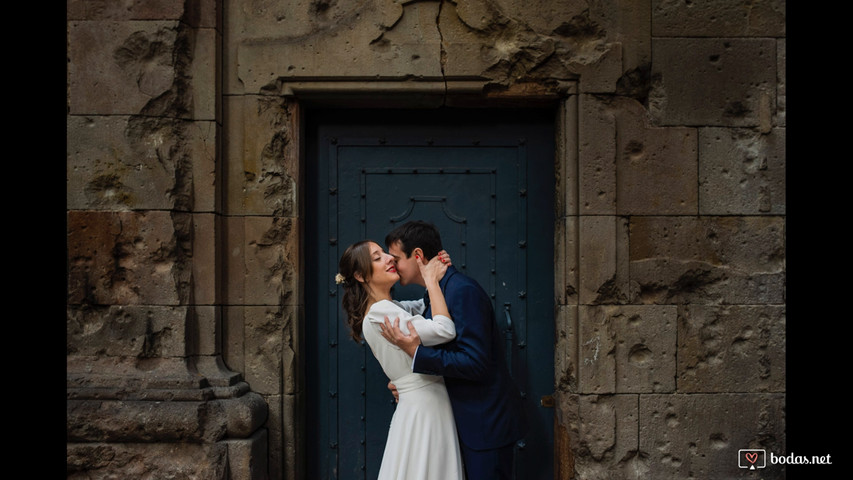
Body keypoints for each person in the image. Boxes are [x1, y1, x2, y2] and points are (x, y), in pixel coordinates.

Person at [380, 221, 527, 480]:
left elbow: (475, 362)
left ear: (417, 256)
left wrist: (417, 355)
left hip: (484, 428)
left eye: (395, 259)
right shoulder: (436, 292)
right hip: (461, 424)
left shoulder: (461, 291)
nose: (393, 266)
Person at [336, 240, 465, 480]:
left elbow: (425, 306)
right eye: (377, 257)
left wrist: (429, 268)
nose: (389, 258)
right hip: (425, 405)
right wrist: (432, 279)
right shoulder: (382, 313)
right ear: (361, 275)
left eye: (385, 253)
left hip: (418, 403)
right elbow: (444, 329)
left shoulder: (389, 308)